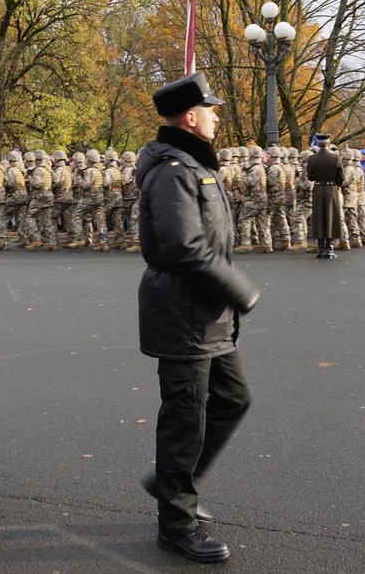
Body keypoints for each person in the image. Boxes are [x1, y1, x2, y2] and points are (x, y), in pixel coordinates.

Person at [135, 71, 260, 564]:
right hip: (185, 309)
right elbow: (184, 246)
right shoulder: (173, 169)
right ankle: (175, 522)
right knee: (186, 417)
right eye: (211, 110)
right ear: (191, 117)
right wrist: (240, 289)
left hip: (206, 310)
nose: (217, 116)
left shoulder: (191, 163)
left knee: (231, 398)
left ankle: (173, 484)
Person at [306, 134, 344, 258]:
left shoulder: (312, 159)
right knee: (331, 218)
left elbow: (310, 177)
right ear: (328, 144)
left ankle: (321, 249)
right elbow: (341, 178)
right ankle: (330, 248)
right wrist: (334, 183)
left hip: (318, 188)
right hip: (331, 189)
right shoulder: (335, 158)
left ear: (317, 144)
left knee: (319, 218)